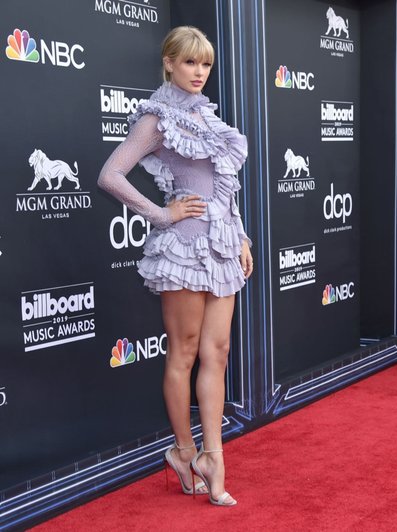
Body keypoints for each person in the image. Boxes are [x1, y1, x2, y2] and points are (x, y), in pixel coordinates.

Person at [97, 26, 252, 506]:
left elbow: (224, 188)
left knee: (218, 351)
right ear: (169, 63)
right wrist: (163, 213)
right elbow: (110, 174)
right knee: (184, 351)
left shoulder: (209, 118)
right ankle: (185, 452)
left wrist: (242, 235)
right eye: (189, 63)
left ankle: (213, 456)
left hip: (224, 248)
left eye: (205, 64)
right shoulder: (156, 118)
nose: (199, 72)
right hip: (184, 250)